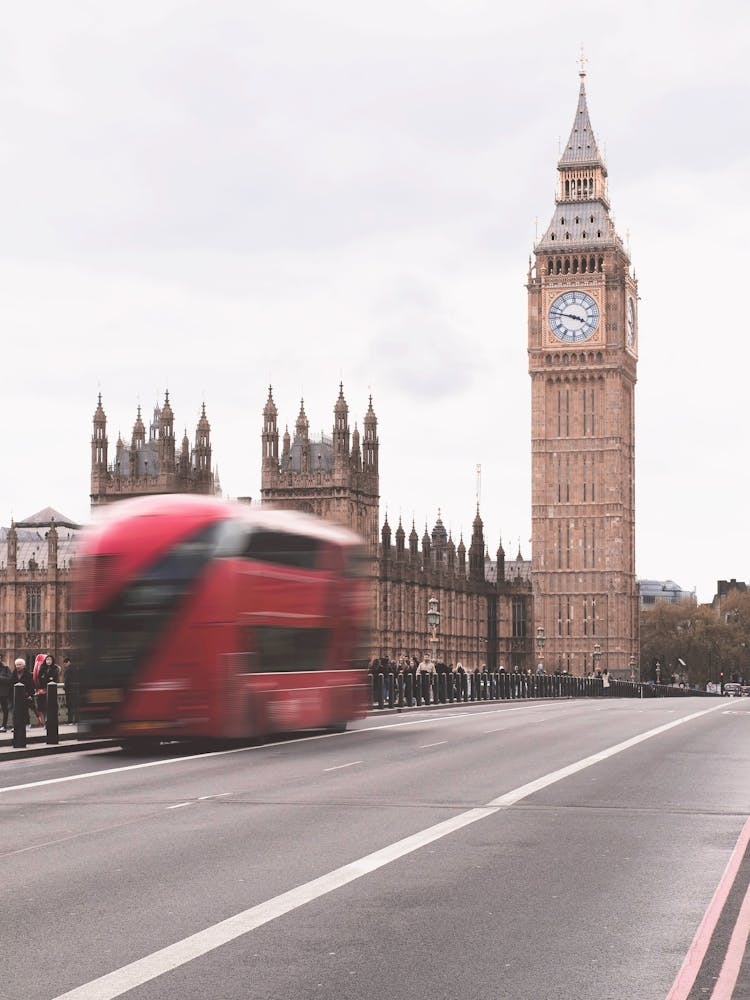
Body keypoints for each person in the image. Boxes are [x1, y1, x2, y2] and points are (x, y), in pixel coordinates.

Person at [11, 658, 35, 730]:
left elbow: (31, 686)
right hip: (15, 695)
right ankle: (15, 726)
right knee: (15, 712)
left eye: (19, 664)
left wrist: (31, 695)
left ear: (23, 666)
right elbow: (10, 685)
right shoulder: (13, 674)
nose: (18, 666)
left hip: (26, 695)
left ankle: (27, 724)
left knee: (25, 711)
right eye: (16, 665)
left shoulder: (28, 674)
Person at [63, 656, 80, 725]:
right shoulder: (76, 668)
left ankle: (70, 721)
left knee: (70, 706)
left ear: (68, 662)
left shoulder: (68, 670)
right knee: (75, 706)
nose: (64, 665)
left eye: (65, 663)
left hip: (70, 690)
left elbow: (66, 680)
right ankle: (76, 720)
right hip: (76, 690)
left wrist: (65, 688)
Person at [0, 655, 12, 732]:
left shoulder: (6, 668)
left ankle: (4, 725)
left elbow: (9, 680)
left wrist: (0, 678)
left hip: (3, 693)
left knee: (5, 710)